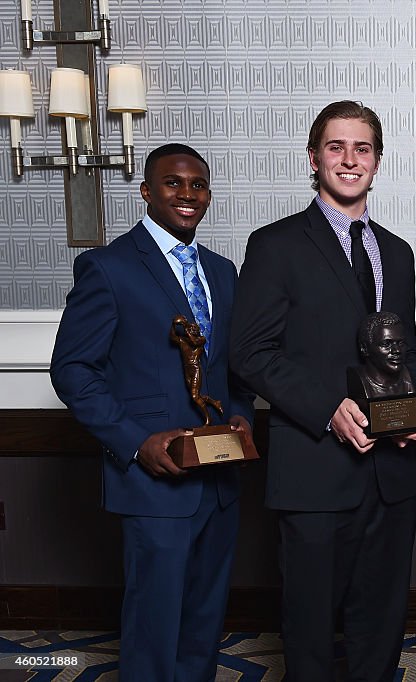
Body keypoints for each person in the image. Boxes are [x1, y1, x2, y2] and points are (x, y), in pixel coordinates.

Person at [229, 101, 416, 682]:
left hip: (391, 472)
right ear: (313, 159)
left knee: (382, 618)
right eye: (336, 147)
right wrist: (325, 409)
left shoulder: (399, 251)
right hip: (314, 468)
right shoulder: (275, 245)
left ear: (378, 161)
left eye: (361, 148)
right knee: (310, 622)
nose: (349, 159)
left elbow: (405, 351)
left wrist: (413, 410)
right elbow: (249, 353)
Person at [50, 143, 253, 681]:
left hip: (220, 475)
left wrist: (242, 417)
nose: (188, 194)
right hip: (154, 479)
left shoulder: (223, 271)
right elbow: (72, 369)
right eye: (173, 183)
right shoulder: (109, 266)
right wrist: (136, 442)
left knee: (204, 620)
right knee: (154, 624)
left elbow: (231, 369)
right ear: (145, 191)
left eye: (198, 185)